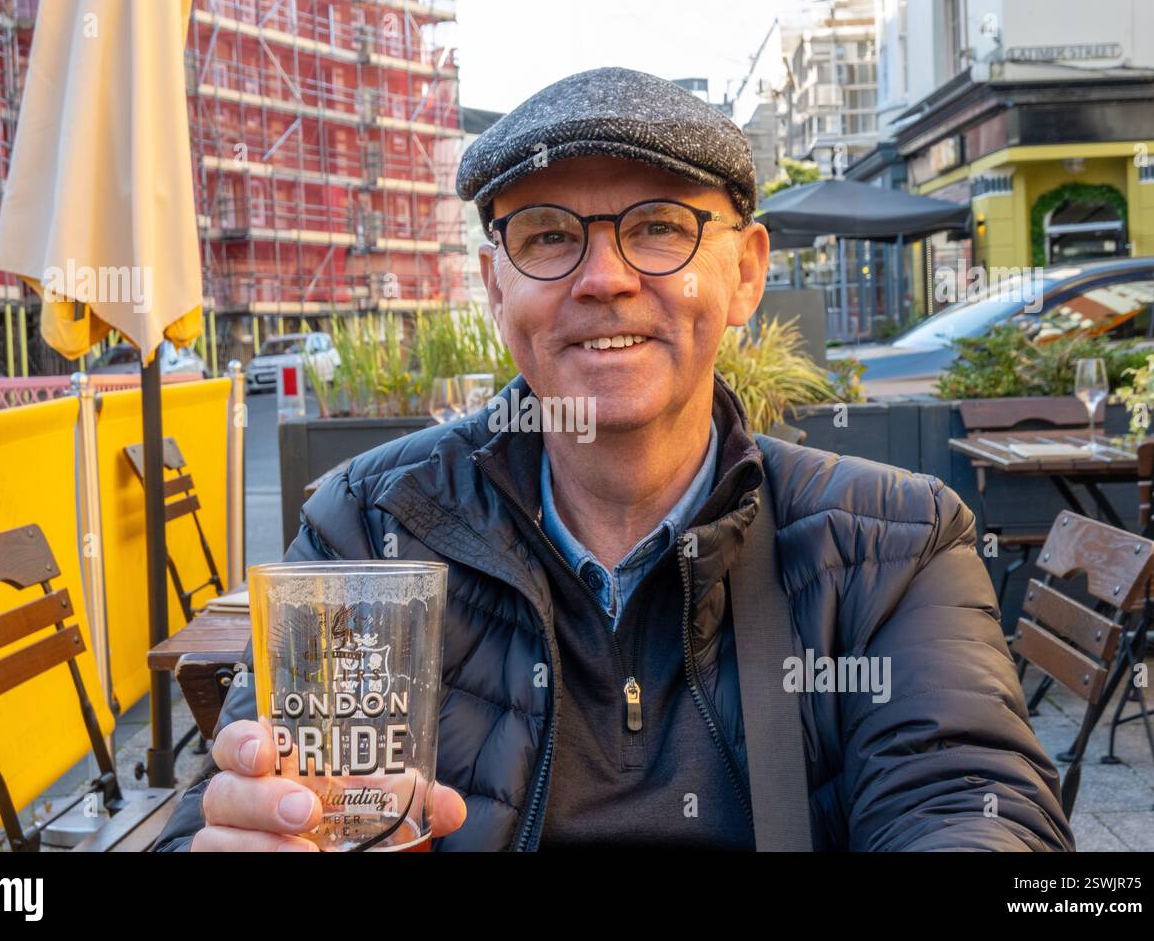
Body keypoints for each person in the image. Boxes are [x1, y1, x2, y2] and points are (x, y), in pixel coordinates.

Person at [152, 67, 1073, 852]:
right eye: (549, 234)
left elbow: (969, 796)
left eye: (661, 226)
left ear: (746, 273)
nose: (605, 277)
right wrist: (243, 826)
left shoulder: (896, 543)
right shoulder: (368, 522)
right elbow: (233, 804)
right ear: (495, 284)